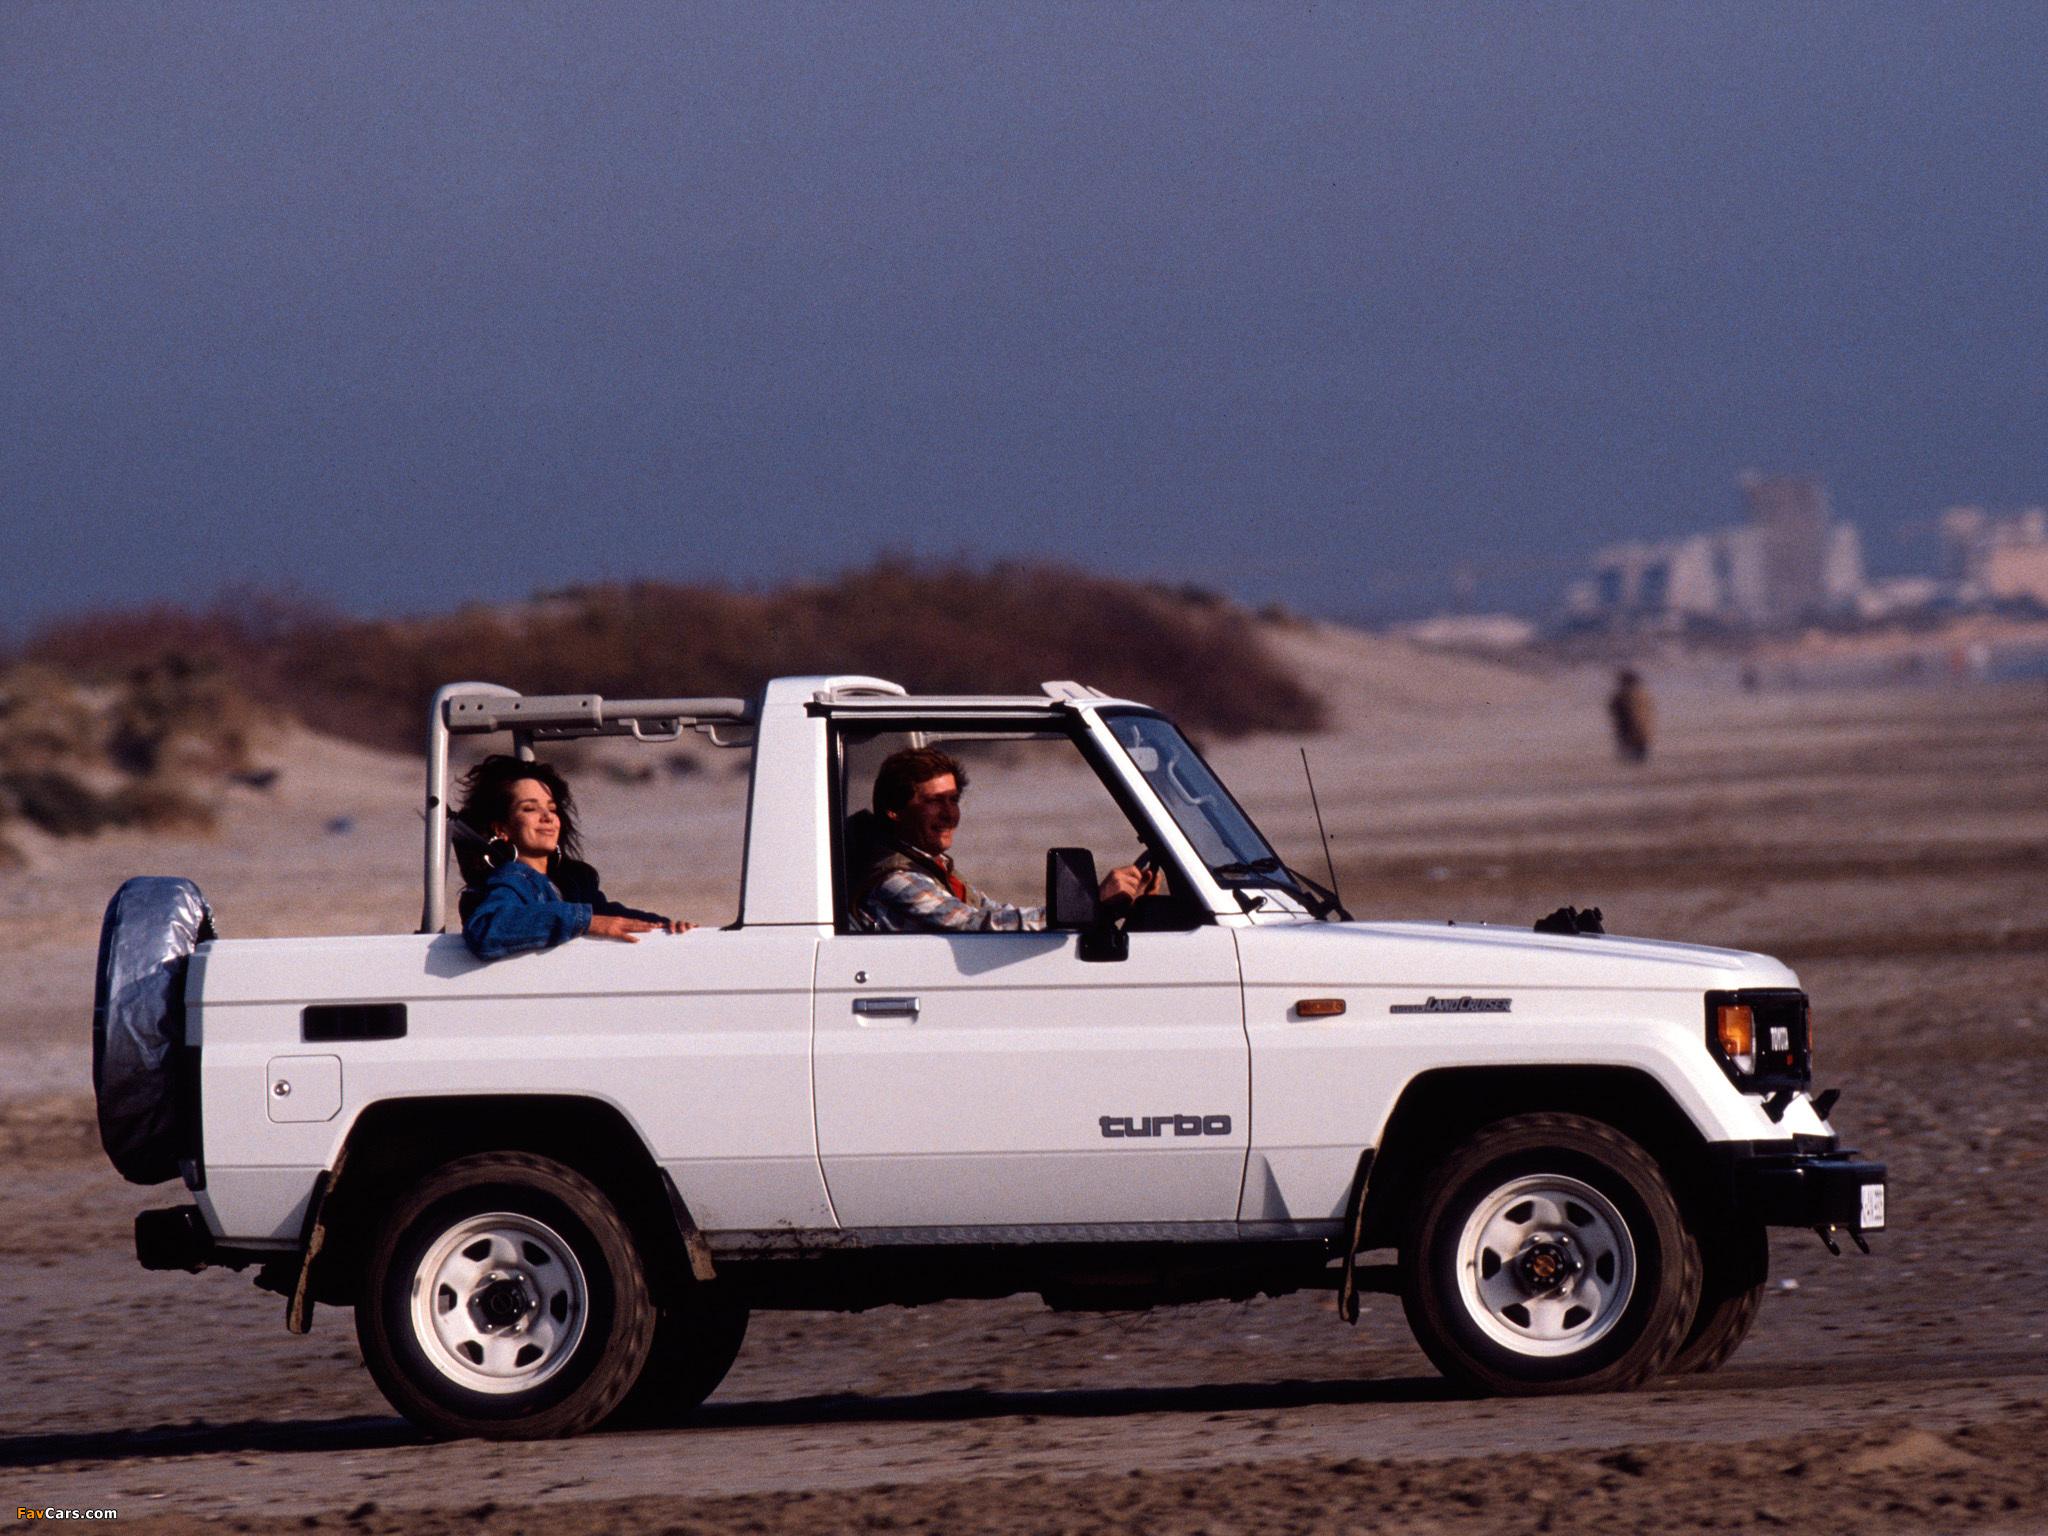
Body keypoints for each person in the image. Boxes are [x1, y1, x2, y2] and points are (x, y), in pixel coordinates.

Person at [851, 745, 1155, 933]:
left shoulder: (931, 867)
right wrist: (1088, 904)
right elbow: (976, 925)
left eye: (953, 800)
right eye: (934, 801)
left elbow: (991, 912)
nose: (949, 814)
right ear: (894, 811)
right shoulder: (896, 880)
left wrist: (1108, 907)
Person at [454, 754, 691, 960]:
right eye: (529, 809)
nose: (547, 817)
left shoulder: (571, 883)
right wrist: (583, 921)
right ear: (501, 829)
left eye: (552, 809)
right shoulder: (511, 881)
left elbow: (608, 915)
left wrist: (665, 927)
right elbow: (486, 929)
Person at [1607, 668, 1656, 764]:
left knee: (1634, 737)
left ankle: (1635, 757)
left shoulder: (1629, 695)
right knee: (1636, 737)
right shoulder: (1641, 694)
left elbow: (1614, 706)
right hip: (1633, 722)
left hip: (1632, 722)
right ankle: (1636, 757)